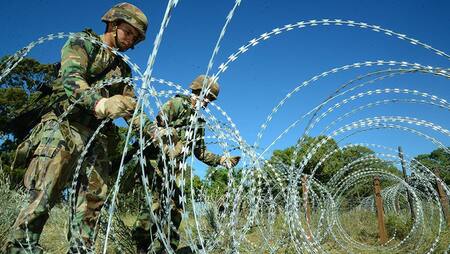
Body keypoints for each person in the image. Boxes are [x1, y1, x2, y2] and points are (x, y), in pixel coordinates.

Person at [4, 3, 149, 253]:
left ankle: (81, 249)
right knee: (45, 191)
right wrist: (101, 103)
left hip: (95, 136)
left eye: (136, 38)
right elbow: (72, 79)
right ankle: (20, 246)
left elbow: (131, 109)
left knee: (93, 200)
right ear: (113, 25)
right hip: (63, 126)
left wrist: (154, 131)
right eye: (129, 33)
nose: (131, 42)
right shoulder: (82, 43)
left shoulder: (123, 69)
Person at [131, 75, 241, 254]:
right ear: (196, 91)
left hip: (177, 168)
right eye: (205, 97)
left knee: (177, 208)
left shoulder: (199, 123)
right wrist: (171, 140)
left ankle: (165, 248)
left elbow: (200, 152)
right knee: (156, 203)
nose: (206, 103)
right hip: (158, 161)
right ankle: (141, 244)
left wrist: (221, 160)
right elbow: (154, 128)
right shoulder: (176, 105)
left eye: (210, 100)